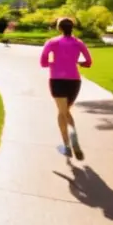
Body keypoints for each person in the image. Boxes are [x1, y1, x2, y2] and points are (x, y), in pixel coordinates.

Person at [40, 18, 92, 160]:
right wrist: (77, 63)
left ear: (59, 28)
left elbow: (43, 62)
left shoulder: (52, 42)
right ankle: (72, 136)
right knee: (65, 111)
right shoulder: (79, 43)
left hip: (57, 79)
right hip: (74, 81)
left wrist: (53, 63)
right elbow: (88, 62)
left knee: (62, 112)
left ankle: (67, 144)